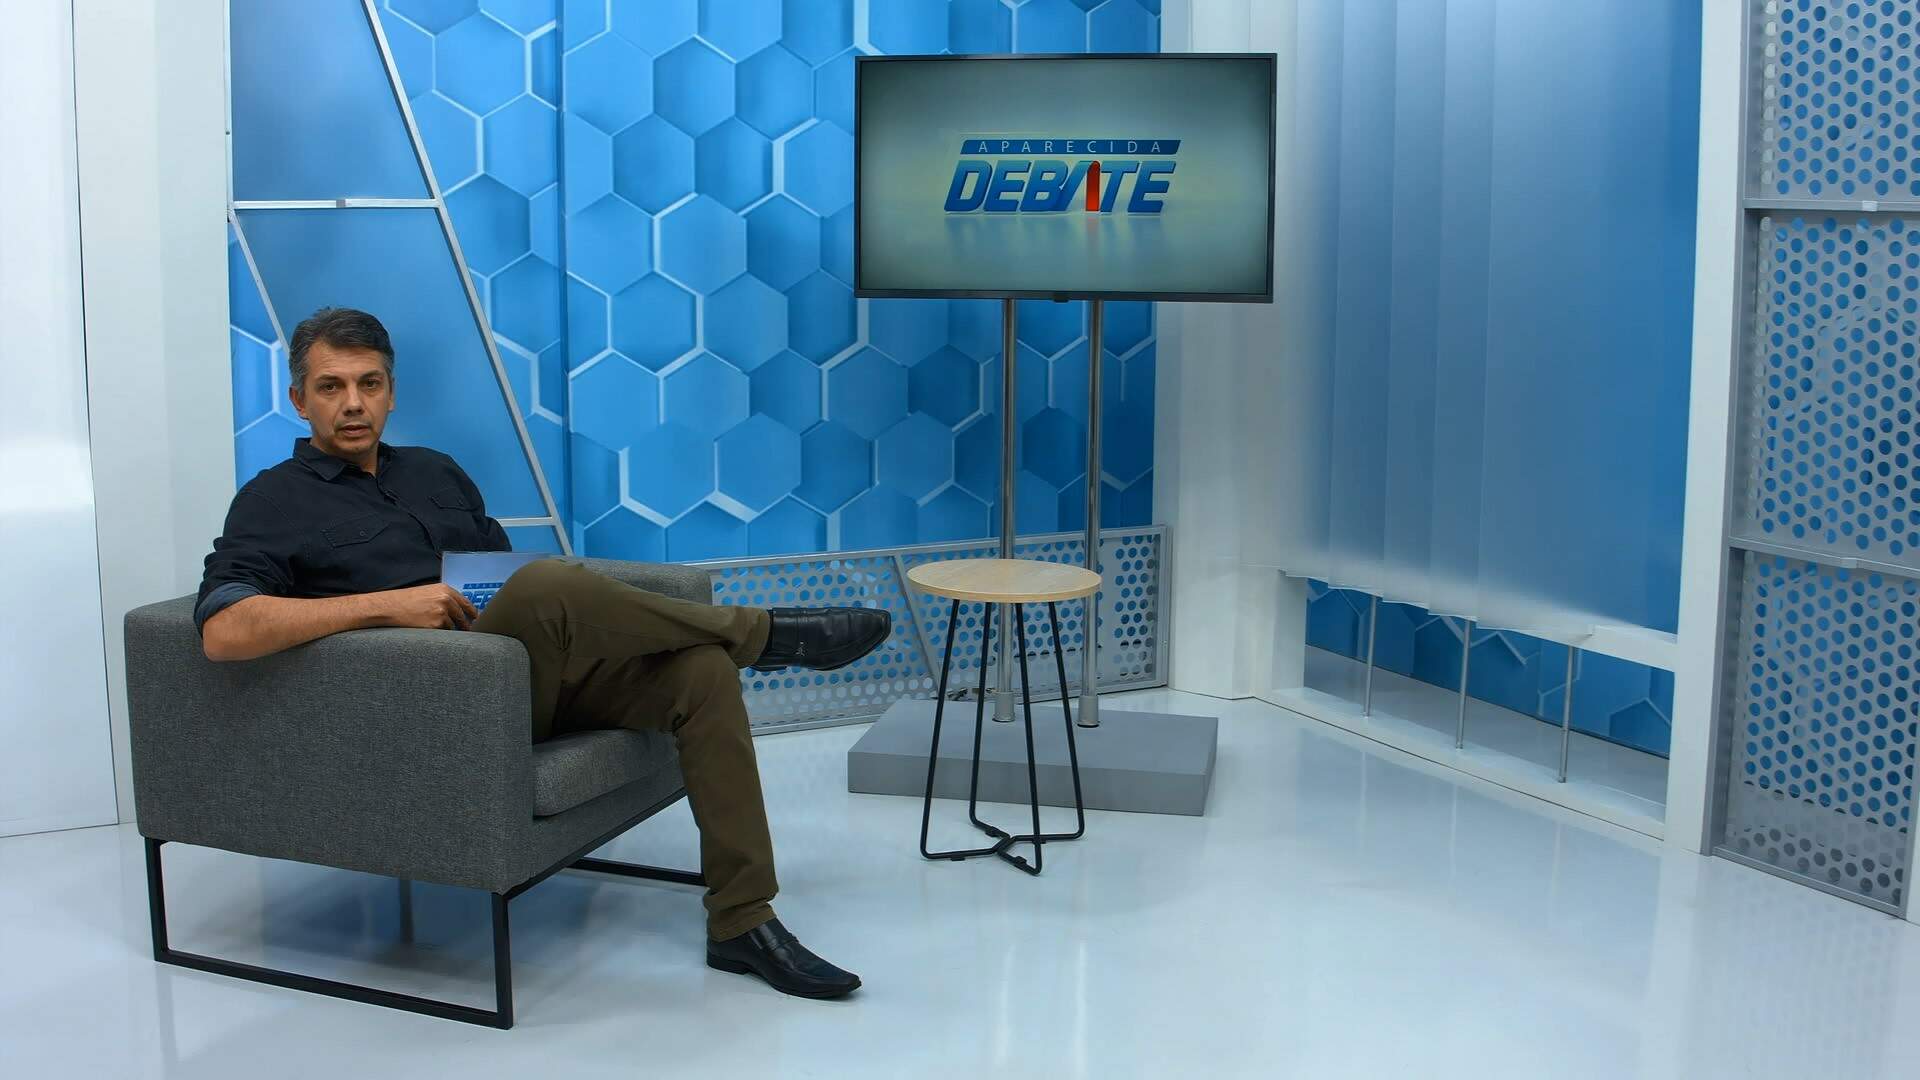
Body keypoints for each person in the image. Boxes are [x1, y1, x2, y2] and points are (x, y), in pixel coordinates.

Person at [195, 307, 887, 1000]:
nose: (353, 403)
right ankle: (767, 636)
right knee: (549, 583)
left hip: (523, 681)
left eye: (369, 384)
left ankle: (741, 920)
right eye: (331, 386)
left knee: (700, 672)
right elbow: (223, 630)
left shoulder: (435, 472)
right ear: (299, 400)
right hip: (432, 709)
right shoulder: (272, 501)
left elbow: (501, 578)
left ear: (392, 392)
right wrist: (385, 605)